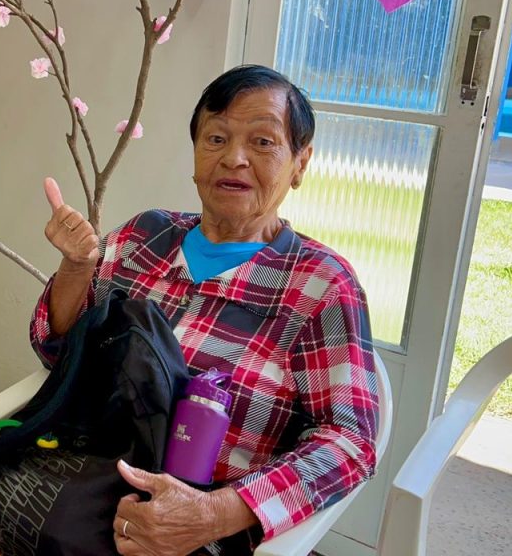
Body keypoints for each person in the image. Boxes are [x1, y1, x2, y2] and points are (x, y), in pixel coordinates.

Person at [32, 64, 379, 555]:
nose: (234, 159)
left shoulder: (319, 284)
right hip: (76, 490)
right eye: (215, 138)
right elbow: (55, 350)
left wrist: (213, 514)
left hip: (200, 531)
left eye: (262, 142)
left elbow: (349, 444)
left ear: (300, 163)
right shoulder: (143, 236)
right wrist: (75, 269)